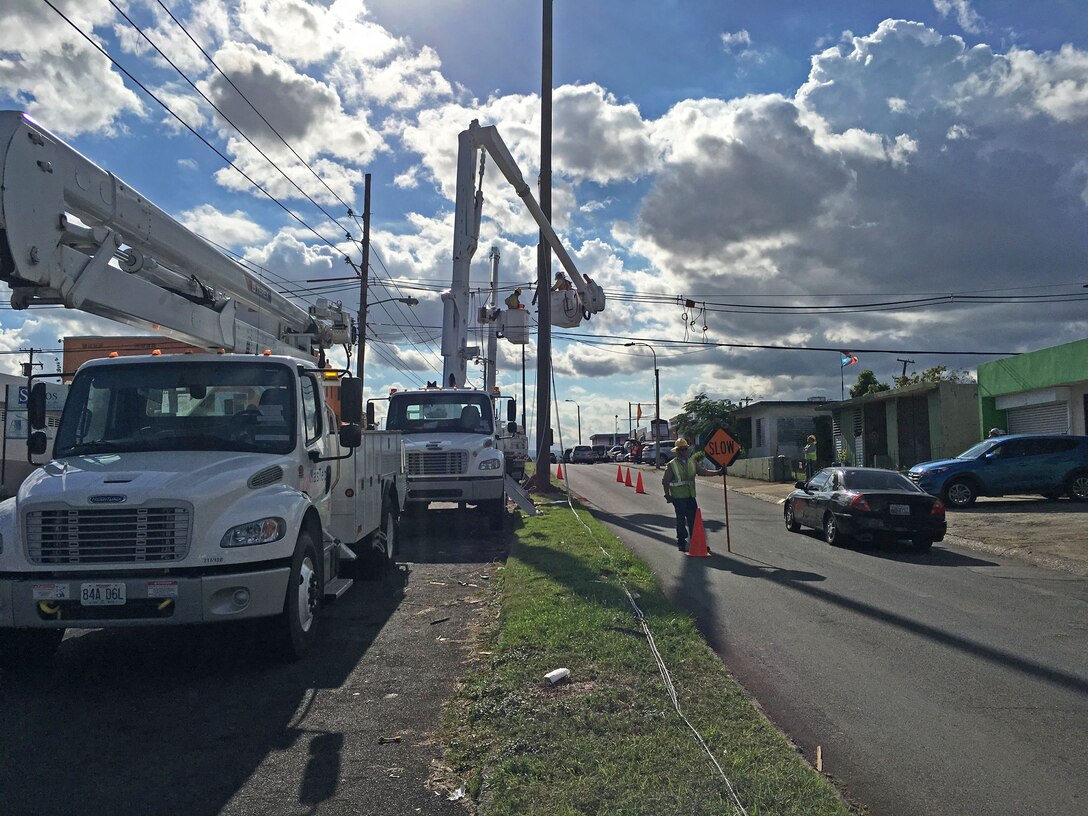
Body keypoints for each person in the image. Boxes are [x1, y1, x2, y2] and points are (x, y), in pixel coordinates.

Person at [662, 438, 717, 553]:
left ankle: (696, 541)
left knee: (694, 521)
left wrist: (718, 472)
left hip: (691, 496)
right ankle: (681, 542)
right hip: (678, 497)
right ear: (677, 451)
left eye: (685, 449)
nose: (683, 451)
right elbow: (665, 481)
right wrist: (667, 495)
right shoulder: (672, 465)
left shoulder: (692, 461)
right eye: (681, 449)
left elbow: (703, 471)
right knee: (681, 520)